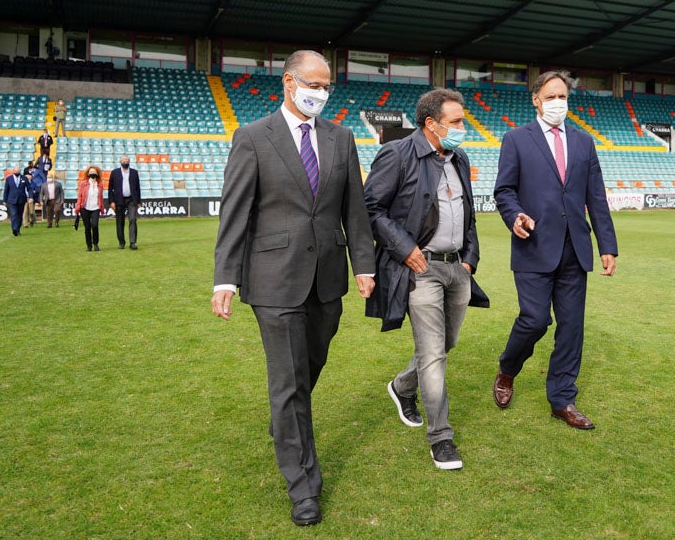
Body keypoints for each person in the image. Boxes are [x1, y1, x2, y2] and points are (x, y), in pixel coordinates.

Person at [211, 50, 376, 527]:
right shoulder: (253, 137)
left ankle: (284, 423)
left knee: (308, 369)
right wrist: (225, 276)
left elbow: (355, 211)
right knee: (288, 381)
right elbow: (235, 211)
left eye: (327, 87)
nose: (321, 94)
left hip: (327, 278)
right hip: (272, 280)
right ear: (289, 82)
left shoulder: (342, 138)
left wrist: (362, 264)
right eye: (314, 84)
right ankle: (303, 485)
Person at [492, 70, 618, 430]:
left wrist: (606, 245)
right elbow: (504, 191)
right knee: (535, 320)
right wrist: (514, 215)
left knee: (571, 328)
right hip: (533, 246)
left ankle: (562, 399)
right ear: (536, 100)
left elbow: (596, 196)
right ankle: (508, 368)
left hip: (574, 249)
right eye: (551, 96)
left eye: (563, 96)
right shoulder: (516, 139)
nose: (558, 103)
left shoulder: (584, 141)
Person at [363, 88, 482, 470]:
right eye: (457, 122)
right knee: (433, 353)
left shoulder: (459, 157)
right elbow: (370, 208)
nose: (464, 128)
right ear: (431, 124)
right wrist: (406, 249)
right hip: (420, 269)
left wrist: (469, 260)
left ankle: (401, 387)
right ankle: (441, 438)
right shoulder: (396, 154)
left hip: (457, 269)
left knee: (446, 344)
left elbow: (469, 213)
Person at [109, 156, 141, 250]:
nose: (125, 162)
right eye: (123, 160)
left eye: (126, 160)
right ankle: (121, 242)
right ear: (120, 162)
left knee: (132, 219)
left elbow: (137, 188)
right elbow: (110, 188)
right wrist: (111, 201)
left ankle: (132, 242)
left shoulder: (134, 172)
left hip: (132, 199)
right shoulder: (114, 172)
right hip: (119, 200)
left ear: (129, 161)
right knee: (120, 221)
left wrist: (138, 201)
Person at [75, 165, 104, 251]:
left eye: (94, 172)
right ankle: (89, 245)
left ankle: (95, 243)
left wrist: (102, 208)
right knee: (87, 227)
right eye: (90, 172)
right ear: (88, 173)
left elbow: (101, 197)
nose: (92, 173)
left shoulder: (100, 185)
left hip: (96, 208)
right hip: (85, 207)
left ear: (97, 173)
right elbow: (80, 196)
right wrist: (78, 207)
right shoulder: (83, 184)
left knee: (95, 225)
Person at [2, 166, 29, 237]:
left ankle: (18, 229)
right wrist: (4, 200)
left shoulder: (24, 178)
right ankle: (14, 229)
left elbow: (29, 188)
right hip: (11, 200)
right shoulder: (9, 179)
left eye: (18, 171)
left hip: (21, 199)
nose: (17, 173)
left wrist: (31, 197)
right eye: (16, 171)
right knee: (14, 214)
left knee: (20, 215)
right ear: (13, 171)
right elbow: (6, 190)